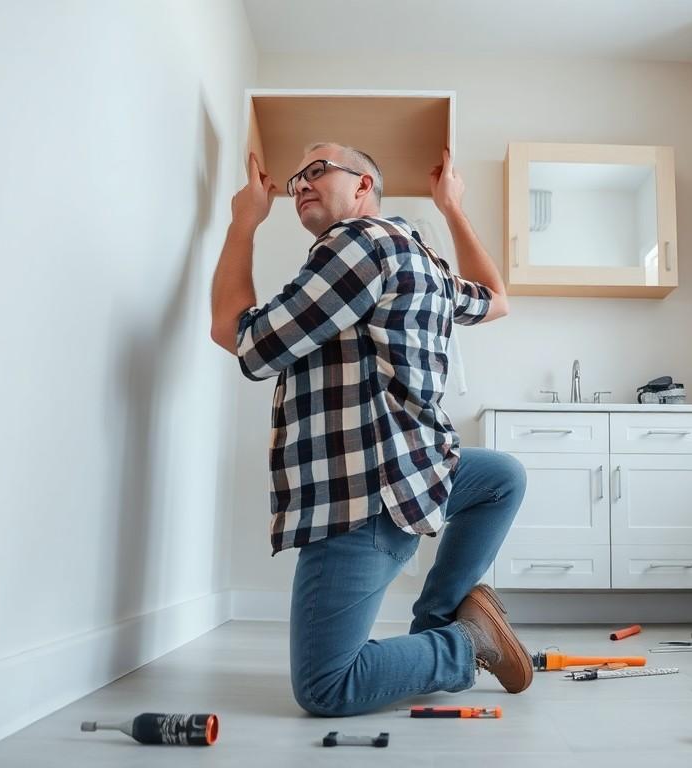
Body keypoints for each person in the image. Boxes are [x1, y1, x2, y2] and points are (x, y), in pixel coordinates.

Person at [210, 142, 533, 716]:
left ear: (363, 185)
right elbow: (497, 300)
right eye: (296, 178)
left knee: (327, 686)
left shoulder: (360, 242)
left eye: (317, 170)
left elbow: (245, 340)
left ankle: (465, 642)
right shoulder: (421, 257)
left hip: (362, 496)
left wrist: (243, 222)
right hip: (421, 471)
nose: (300, 184)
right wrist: (452, 208)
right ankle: (440, 620)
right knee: (500, 477)